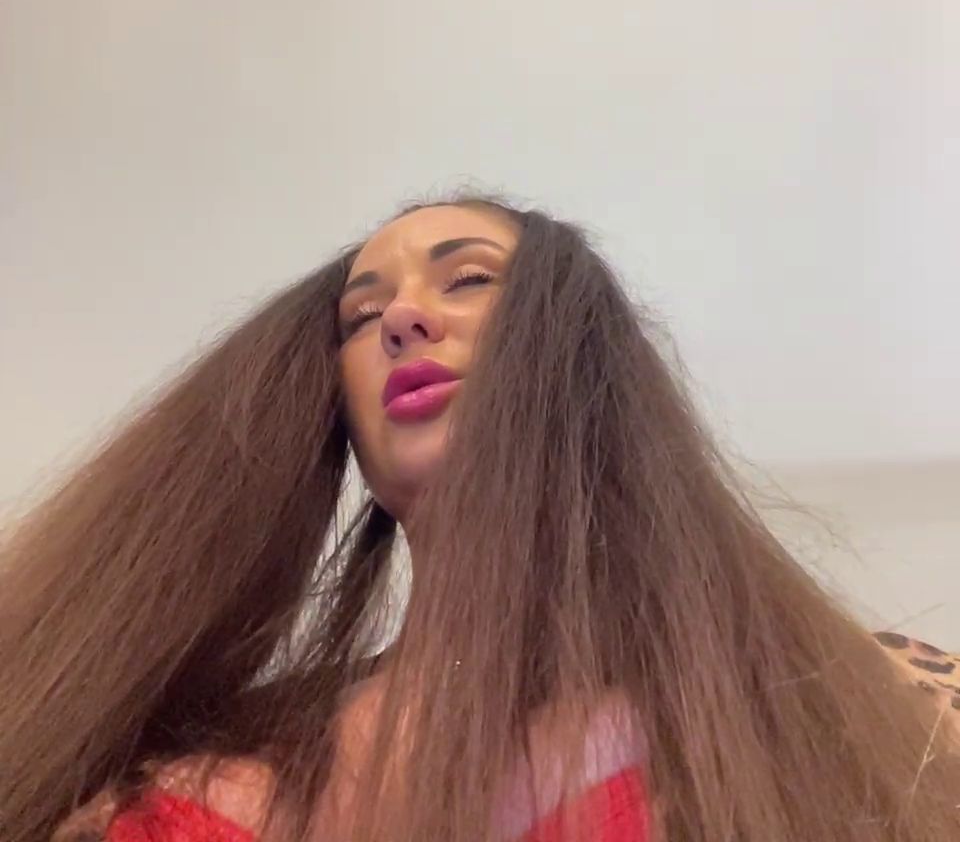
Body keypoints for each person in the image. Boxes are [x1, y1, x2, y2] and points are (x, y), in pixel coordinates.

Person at [2, 193, 958, 842]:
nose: (402, 320)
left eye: (466, 280)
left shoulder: (866, 707)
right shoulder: (194, 788)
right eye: (360, 318)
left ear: (580, 355)